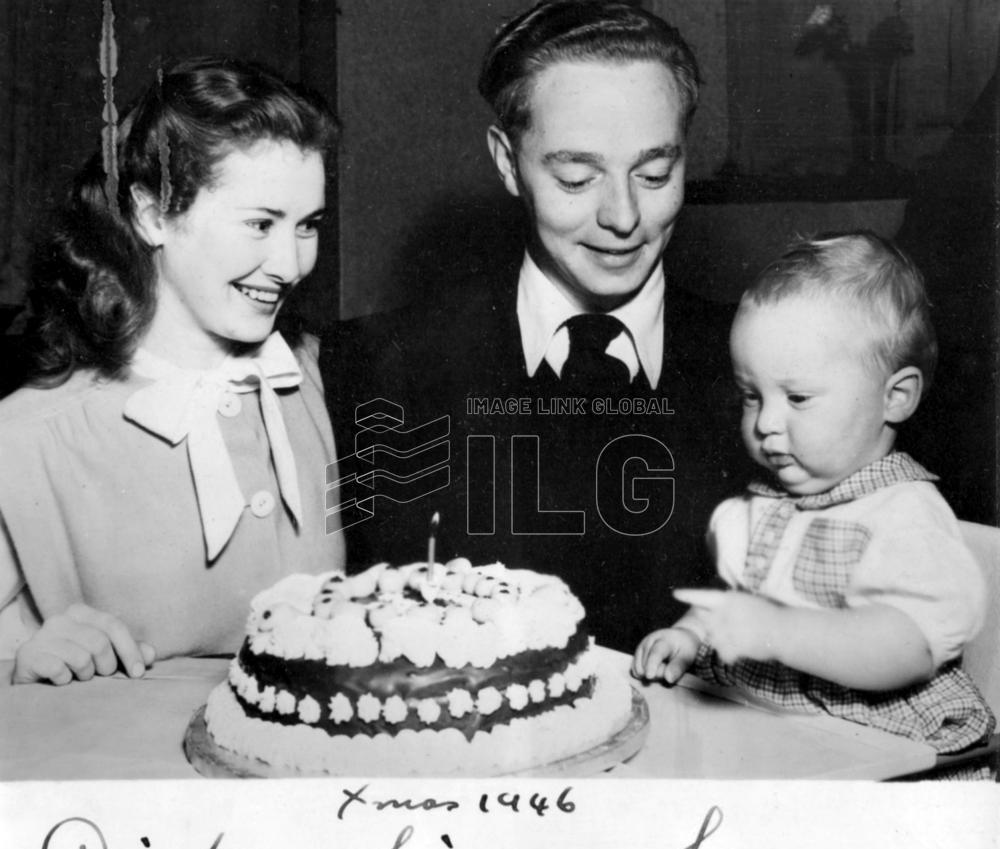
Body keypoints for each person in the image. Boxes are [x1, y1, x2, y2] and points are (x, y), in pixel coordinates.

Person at [324, 0, 743, 653]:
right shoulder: (378, 365)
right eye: (577, 177)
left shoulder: (767, 374)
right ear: (506, 162)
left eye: (656, 172)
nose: (624, 216)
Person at [0, 57, 346, 685]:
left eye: (309, 226)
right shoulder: (26, 439)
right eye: (261, 223)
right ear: (152, 214)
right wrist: (21, 666)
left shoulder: (314, 379)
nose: (291, 264)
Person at [632, 232, 996, 777]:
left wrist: (783, 634)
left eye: (797, 397)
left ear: (895, 397)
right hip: (778, 729)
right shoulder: (775, 503)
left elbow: (909, 647)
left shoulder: (903, 512)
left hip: (880, 752)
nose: (765, 423)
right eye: (751, 395)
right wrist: (691, 633)